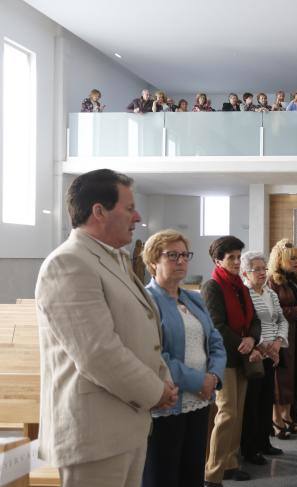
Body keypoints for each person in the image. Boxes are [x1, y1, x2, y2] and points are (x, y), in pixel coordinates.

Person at [35, 169, 177, 487]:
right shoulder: (68, 263)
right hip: (94, 432)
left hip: (126, 423)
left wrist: (162, 378)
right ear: (99, 211)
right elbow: (97, 352)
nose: (138, 216)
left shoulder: (112, 260)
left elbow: (141, 331)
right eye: (129, 208)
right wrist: (155, 392)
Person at [141, 230, 226, 487]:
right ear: (154, 261)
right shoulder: (147, 301)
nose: (181, 261)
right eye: (172, 255)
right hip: (170, 400)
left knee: (192, 472)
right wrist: (197, 380)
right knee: (164, 475)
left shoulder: (193, 298)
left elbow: (216, 341)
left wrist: (213, 377)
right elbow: (154, 353)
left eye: (184, 255)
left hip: (200, 400)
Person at [202, 236, 262, 486]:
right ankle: (212, 472)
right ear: (218, 260)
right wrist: (244, 342)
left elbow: (255, 319)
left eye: (239, 257)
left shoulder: (240, 285)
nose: (238, 262)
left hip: (240, 357)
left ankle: (230, 462)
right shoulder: (212, 286)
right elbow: (216, 326)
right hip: (224, 359)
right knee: (226, 413)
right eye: (232, 258)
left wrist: (251, 337)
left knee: (237, 414)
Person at [239, 251, 285, 464]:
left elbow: (281, 320)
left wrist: (277, 343)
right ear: (245, 272)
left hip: (271, 354)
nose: (261, 272)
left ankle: (265, 442)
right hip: (255, 355)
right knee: (252, 404)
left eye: (263, 268)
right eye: (256, 269)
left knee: (267, 400)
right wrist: (262, 346)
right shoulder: (246, 294)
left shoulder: (270, 294)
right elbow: (248, 325)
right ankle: (250, 449)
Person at [267, 241, 297, 430]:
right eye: (291, 258)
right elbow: (273, 311)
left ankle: (288, 414)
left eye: (296, 257)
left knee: (295, 373)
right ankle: (277, 419)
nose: (296, 261)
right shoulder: (272, 281)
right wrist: (296, 312)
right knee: (282, 376)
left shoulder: (294, 279)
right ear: (280, 259)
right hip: (282, 334)